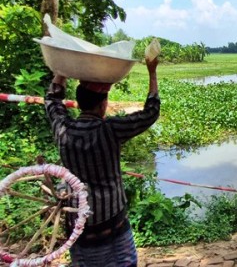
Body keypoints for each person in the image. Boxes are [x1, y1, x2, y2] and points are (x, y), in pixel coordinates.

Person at [44, 57, 160, 266]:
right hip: (113, 226)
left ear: (79, 103)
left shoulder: (63, 129)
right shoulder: (110, 130)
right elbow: (150, 113)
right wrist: (152, 71)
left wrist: (61, 68)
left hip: (79, 226)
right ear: (103, 104)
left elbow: (52, 100)